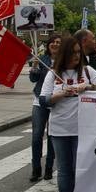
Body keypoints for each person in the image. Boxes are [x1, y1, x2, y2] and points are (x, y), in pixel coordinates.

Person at [40, 36, 96, 192]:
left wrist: (90, 87)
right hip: (60, 128)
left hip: (83, 128)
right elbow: (43, 100)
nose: (77, 55)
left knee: (80, 167)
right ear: (65, 53)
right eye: (73, 52)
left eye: (79, 52)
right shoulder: (53, 74)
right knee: (64, 169)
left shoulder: (87, 71)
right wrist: (59, 94)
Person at [29, 32, 61, 182]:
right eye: (52, 42)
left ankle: (49, 168)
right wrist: (35, 66)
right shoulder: (43, 59)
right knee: (36, 136)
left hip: (56, 102)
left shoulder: (65, 61)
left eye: (58, 42)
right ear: (48, 45)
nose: (55, 44)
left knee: (52, 136)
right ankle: (36, 169)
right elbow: (33, 79)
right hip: (39, 101)